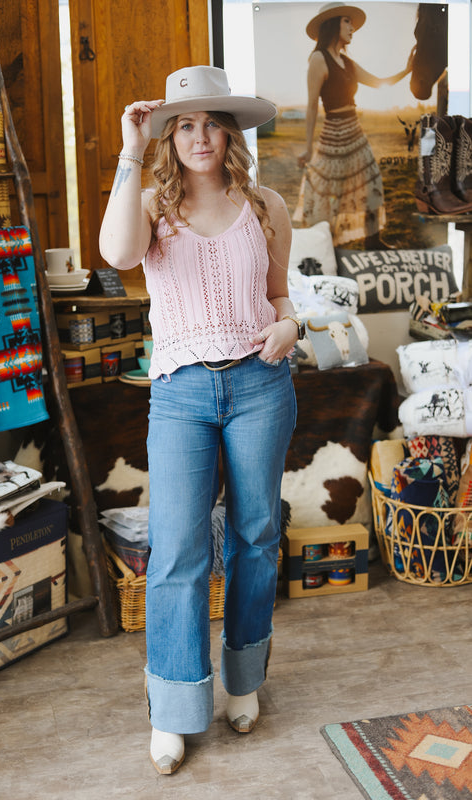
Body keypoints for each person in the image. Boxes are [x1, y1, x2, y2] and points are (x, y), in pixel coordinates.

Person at [99, 65, 300, 775]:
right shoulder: (151, 203)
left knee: (254, 535)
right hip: (181, 394)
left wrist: (290, 327)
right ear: (168, 134)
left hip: (260, 386)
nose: (200, 135)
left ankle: (243, 681)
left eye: (212, 121)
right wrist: (129, 147)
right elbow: (117, 255)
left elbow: (279, 297)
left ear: (231, 131)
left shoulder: (265, 204)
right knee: (177, 550)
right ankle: (177, 708)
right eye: (184, 123)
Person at [295, 2, 414, 248]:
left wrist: (407, 70)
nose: (352, 28)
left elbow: (379, 82)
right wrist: (308, 148)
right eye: (346, 21)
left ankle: (373, 241)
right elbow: (311, 106)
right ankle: (325, 247)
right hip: (334, 135)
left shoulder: (347, 62)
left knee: (371, 182)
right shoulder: (319, 59)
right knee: (331, 195)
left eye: (351, 22)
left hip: (356, 131)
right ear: (332, 24)